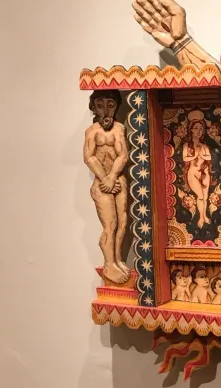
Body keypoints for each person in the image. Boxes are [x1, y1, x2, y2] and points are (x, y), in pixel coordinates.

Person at [83, 90, 131, 284]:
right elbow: (89, 157)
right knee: (109, 225)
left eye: (110, 106)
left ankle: (116, 259)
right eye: (100, 105)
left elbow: (123, 155)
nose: (105, 111)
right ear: (94, 108)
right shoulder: (92, 131)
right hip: (101, 183)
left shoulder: (119, 129)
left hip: (117, 180)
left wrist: (113, 176)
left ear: (117, 107)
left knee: (122, 222)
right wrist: (105, 179)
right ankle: (108, 264)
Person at [183, 112, 213, 228]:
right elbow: (185, 158)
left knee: (205, 197)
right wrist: (195, 155)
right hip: (193, 173)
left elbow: (209, 157)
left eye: (201, 128)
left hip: (204, 172)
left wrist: (202, 154)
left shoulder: (204, 146)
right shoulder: (187, 145)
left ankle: (204, 215)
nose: (198, 131)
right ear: (191, 130)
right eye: (196, 128)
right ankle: (200, 217)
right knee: (200, 196)